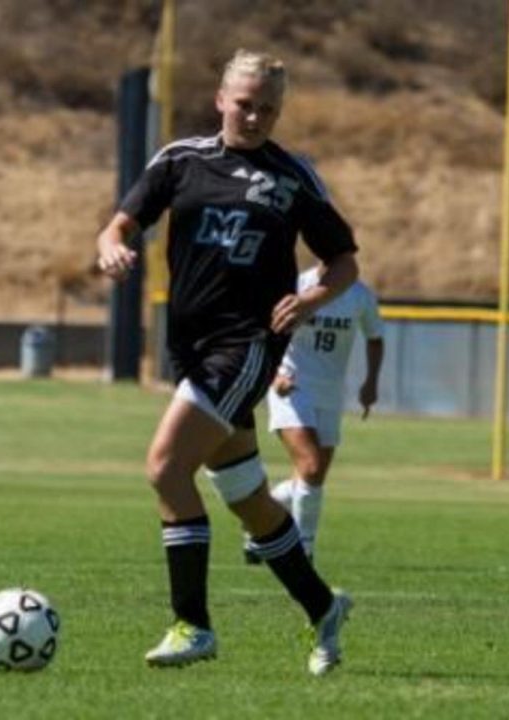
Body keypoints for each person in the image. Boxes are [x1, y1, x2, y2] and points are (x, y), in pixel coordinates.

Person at [96, 49, 359, 676]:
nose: (255, 116)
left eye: (268, 108)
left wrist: (311, 298)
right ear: (221, 99)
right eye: (245, 104)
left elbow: (345, 262)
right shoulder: (180, 160)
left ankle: (194, 624)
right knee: (246, 496)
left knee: (165, 469)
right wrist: (111, 246)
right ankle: (324, 606)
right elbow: (122, 223)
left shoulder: (292, 178)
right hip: (190, 347)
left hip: (245, 346)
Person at [245, 274, 384, 565]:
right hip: (292, 387)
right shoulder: (296, 285)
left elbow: (375, 337)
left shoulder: (359, 295)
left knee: (311, 477)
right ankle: (303, 550)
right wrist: (274, 375)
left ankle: (258, 517)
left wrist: (371, 382)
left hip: (331, 393)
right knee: (310, 465)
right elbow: (262, 329)